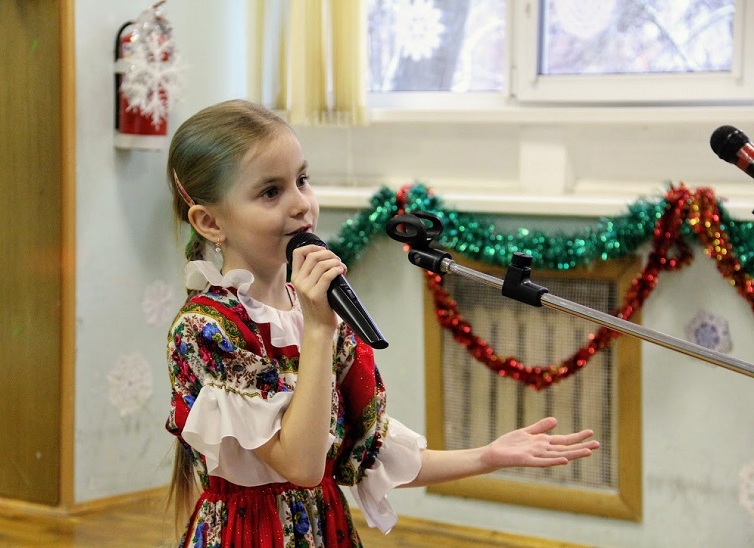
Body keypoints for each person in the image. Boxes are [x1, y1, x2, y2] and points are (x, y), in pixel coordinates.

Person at [164, 99, 600, 547]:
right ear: (210, 222)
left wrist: (487, 457)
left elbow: (368, 450)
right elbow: (302, 465)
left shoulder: (318, 315)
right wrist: (318, 330)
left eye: (302, 180)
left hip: (325, 529)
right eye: (271, 192)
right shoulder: (207, 330)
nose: (301, 205)